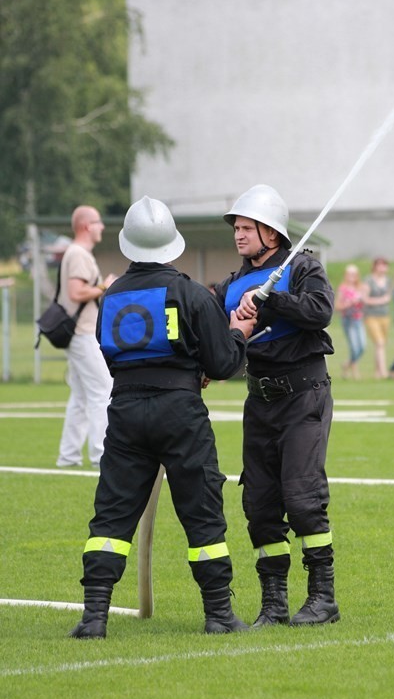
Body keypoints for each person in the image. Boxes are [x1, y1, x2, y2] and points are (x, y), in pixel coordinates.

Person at [70, 196, 256, 639]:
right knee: (201, 509)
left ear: (129, 246)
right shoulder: (191, 293)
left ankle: (94, 616)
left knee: (112, 516)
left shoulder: (111, 297)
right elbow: (224, 362)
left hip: (126, 413)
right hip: (180, 414)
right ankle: (218, 614)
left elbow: (115, 356)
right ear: (172, 246)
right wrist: (239, 332)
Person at [213, 184, 339, 628]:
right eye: (238, 228)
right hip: (258, 402)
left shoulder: (302, 267)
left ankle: (323, 598)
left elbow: (321, 310)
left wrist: (272, 300)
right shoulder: (229, 285)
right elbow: (213, 334)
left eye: (247, 227)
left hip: (304, 396)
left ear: (272, 232)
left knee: (302, 499)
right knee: (260, 503)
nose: (239, 235)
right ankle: (274, 604)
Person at [56, 206, 117, 468]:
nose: (102, 226)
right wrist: (105, 287)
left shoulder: (77, 253)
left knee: (81, 396)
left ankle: (68, 455)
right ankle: (100, 453)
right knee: (102, 389)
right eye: (98, 222)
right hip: (82, 332)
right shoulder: (79, 253)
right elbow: (75, 292)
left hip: (79, 333)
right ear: (86, 226)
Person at [361, 257, 392, 379]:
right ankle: (384, 373)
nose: (382, 268)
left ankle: (377, 372)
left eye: (384, 265)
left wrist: (385, 300)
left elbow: (388, 296)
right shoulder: (368, 280)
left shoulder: (387, 280)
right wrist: (380, 300)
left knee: (381, 345)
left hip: (384, 316)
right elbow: (365, 299)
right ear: (375, 266)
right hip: (371, 316)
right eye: (380, 265)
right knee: (379, 342)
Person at [335, 264, 366, 379]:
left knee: (362, 346)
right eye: (350, 274)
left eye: (354, 274)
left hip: (358, 319)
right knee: (354, 347)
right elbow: (337, 306)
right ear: (346, 275)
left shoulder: (360, 287)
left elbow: (364, 303)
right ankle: (354, 371)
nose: (352, 276)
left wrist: (361, 301)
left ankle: (346, 364)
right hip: (348, 321)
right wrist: (349, 303)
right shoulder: (343, 288)